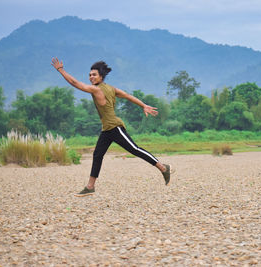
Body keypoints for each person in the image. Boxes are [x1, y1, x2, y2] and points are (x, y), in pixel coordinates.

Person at [51, 58, 173, 196]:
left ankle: (163, 168)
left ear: (101, 77)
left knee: (134, 149)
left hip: (115, 127)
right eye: (90, 75)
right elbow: (127, 96)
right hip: (107, 129)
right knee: (97, 155)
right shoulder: (111, 88)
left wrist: (60, 70)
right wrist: (143, 105)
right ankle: (90, 186)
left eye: (94, 75)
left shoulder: (96, 89)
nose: (91, 77)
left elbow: (75, 83)